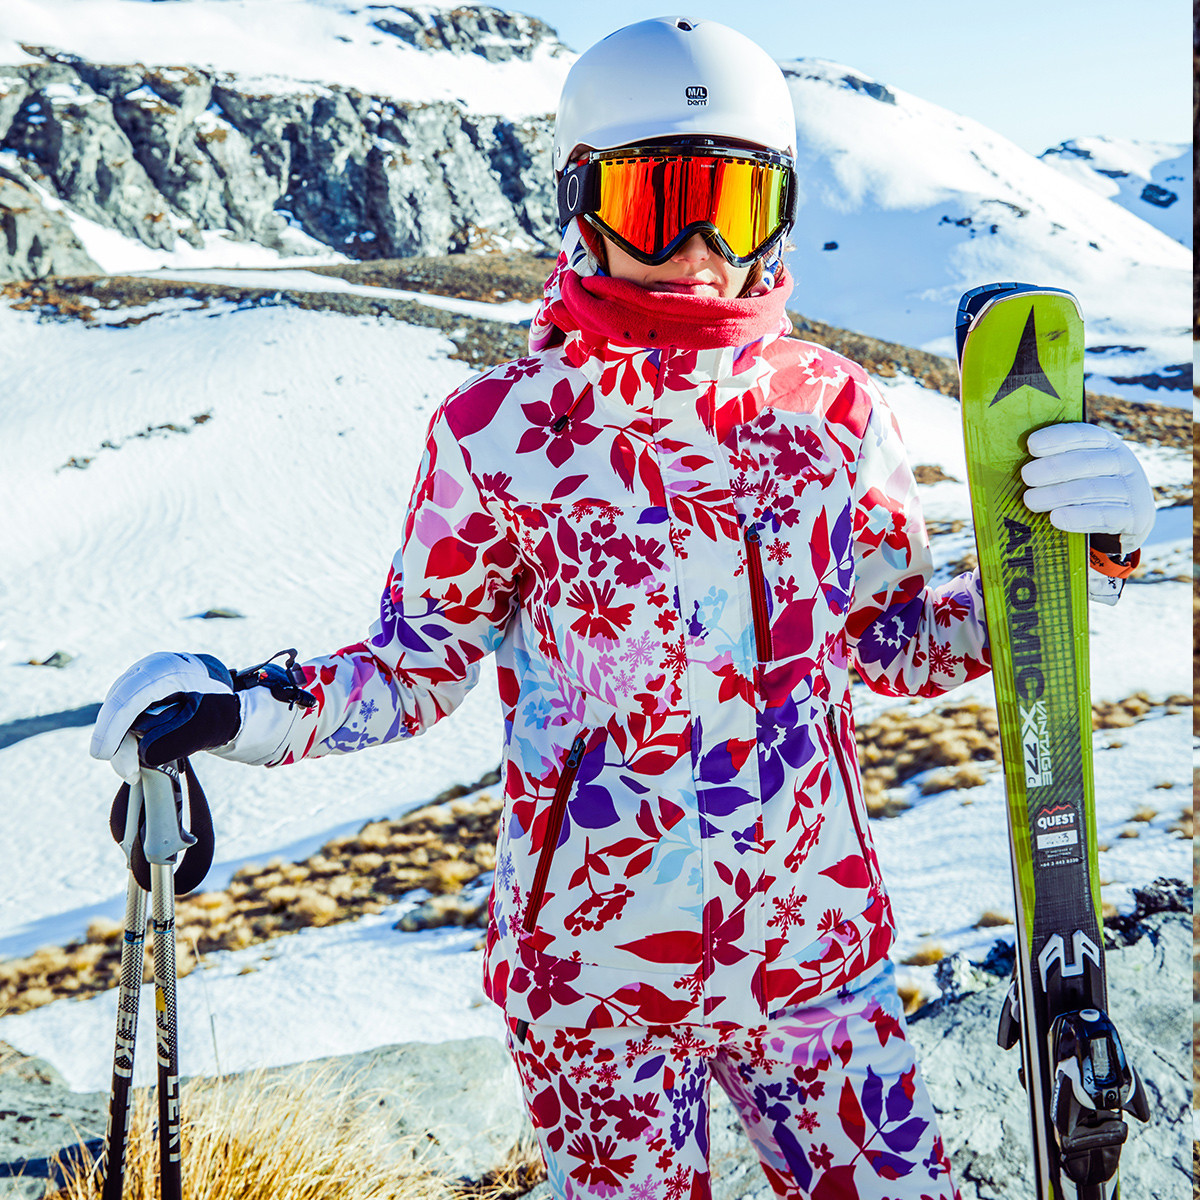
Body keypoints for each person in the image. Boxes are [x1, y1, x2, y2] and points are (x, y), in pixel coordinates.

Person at [91, 16, 1155, 1199]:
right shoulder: (500, 434)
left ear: (781, 217)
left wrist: (1063, 559)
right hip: (591, 988)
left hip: (815, 960)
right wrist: (244, 710)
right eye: (661, 200)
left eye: (735, 206)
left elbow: (891, 644)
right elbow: (416, 668)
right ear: (583, 202)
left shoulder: (838, 415)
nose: (701, 248)